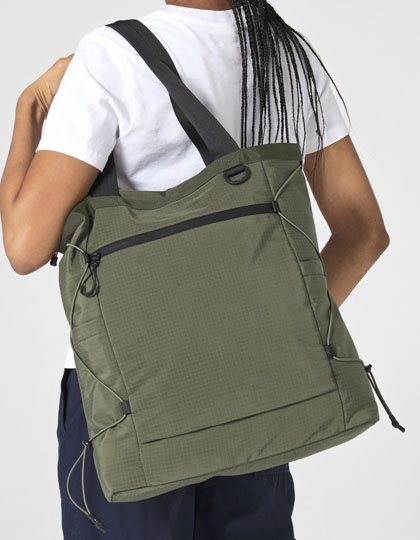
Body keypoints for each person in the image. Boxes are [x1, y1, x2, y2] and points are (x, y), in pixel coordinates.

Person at [0, 0, 390, 538]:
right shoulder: (286, 57)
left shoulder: (109, 56)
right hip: (257, 394)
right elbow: (364, 233)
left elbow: (24, 246)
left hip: (130, 403)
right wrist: (270, 332)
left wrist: (29, 106)